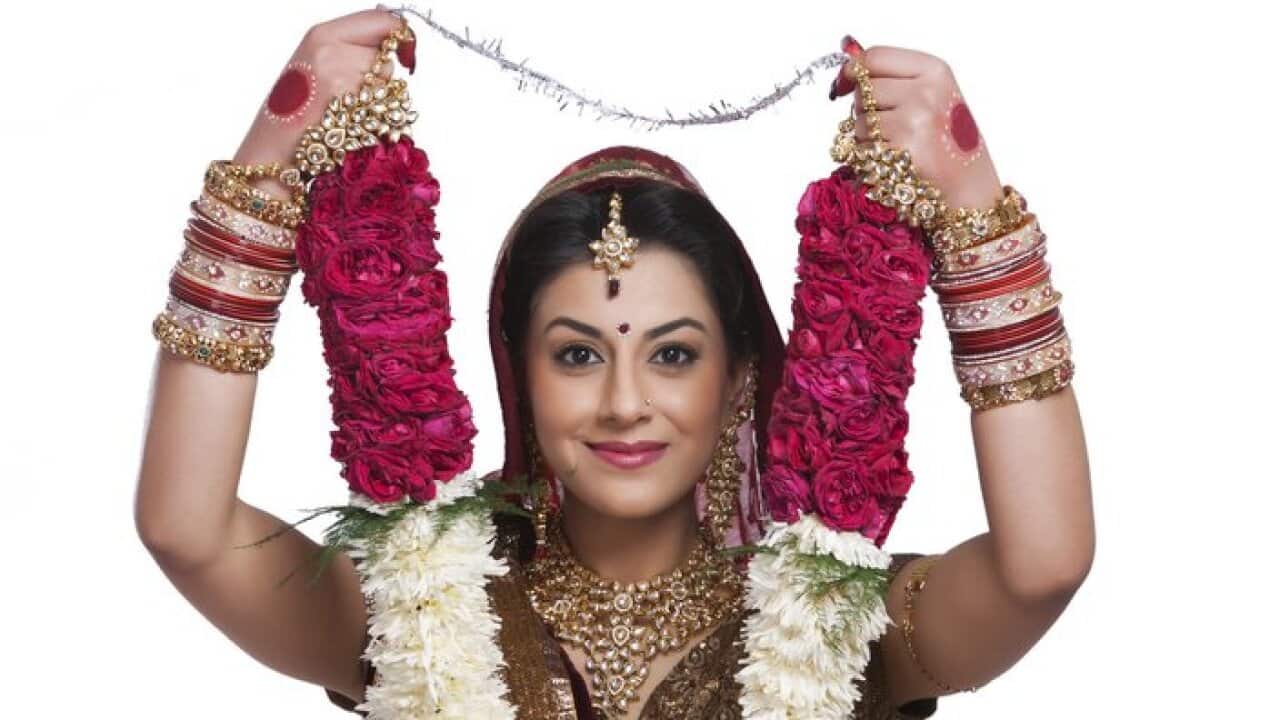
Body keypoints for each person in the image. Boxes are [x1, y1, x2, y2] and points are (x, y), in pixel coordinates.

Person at [135, 8, 1094, 719]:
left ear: (739, 380)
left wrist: (971, 213)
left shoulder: (838, 615)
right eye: (577, 355)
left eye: (672, 354)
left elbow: (1041, 568)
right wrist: (268, 173)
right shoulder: (416, 604)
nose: (625, 402)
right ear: (518, 376)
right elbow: (188, 530)